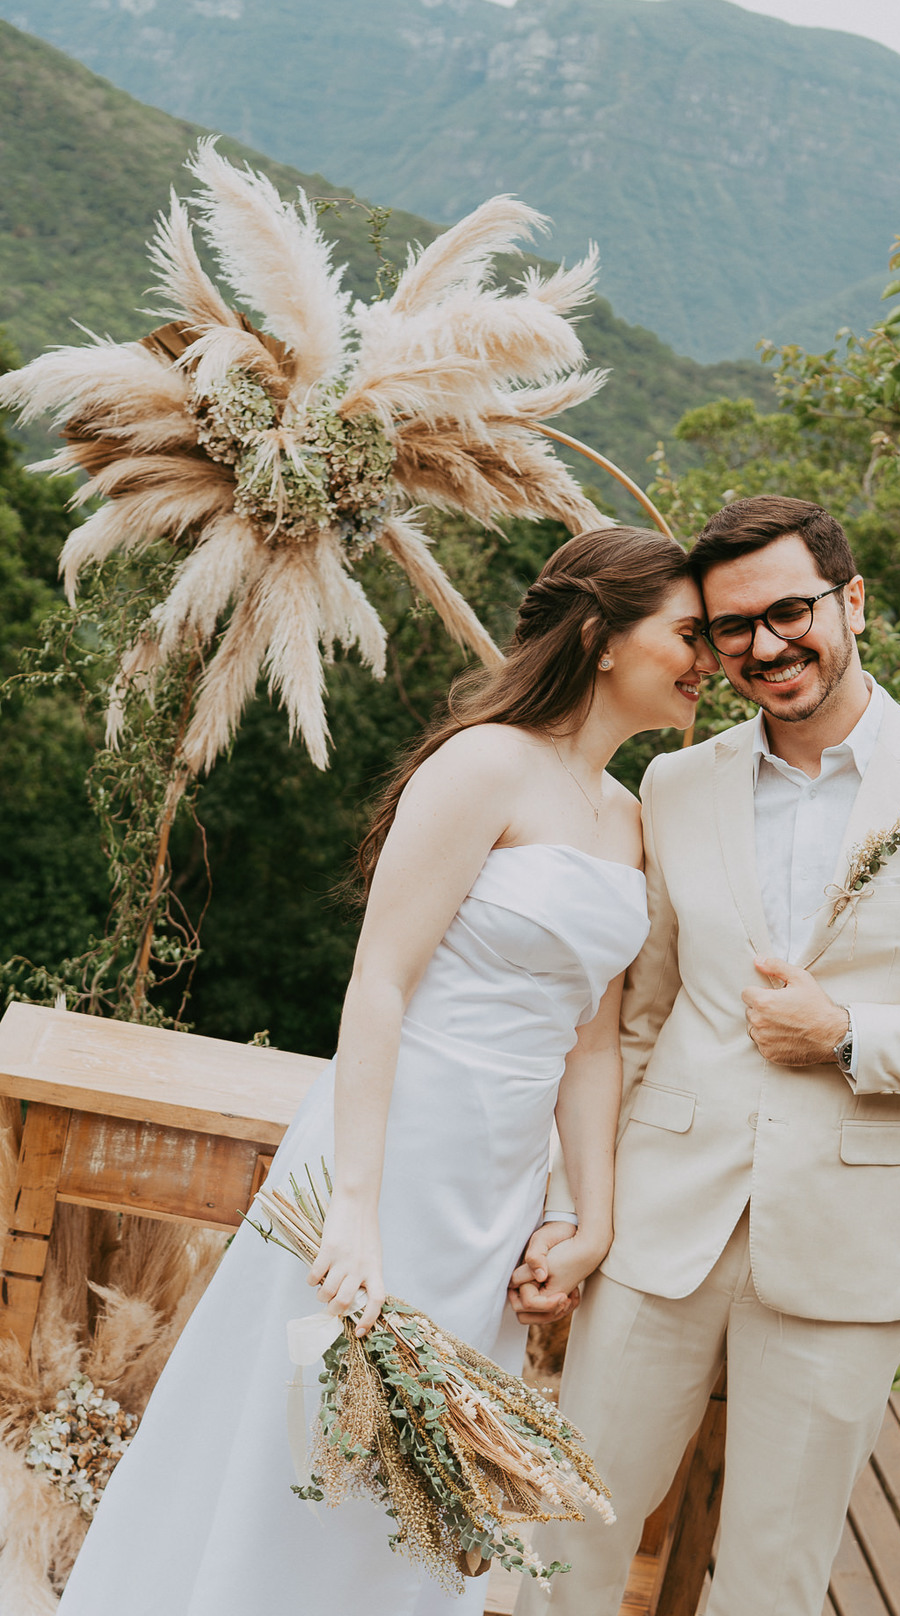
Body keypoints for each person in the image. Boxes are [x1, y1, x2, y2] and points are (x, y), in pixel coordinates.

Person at [58, 526, 717, 1616]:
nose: (709, 662)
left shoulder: (626, 817)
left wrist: (588, 1218)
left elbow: (590, 1043)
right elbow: (379, 985)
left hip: (497, 1189)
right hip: (391, 1152)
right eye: (688, 634)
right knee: (302, 1441)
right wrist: (354, 1209)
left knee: (413, 1475)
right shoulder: (485, 764)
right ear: (602, 636)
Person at [510, 495, 900, 1616]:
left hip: (852, 1246)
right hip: (658, 1226)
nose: (768, 646)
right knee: (562, 1536)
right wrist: (580, 1211)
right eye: (734, 628)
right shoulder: (674, 785)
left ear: (852, 601)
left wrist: (854, 1036)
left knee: (773, 1574)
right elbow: (633, 1022)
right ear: (712, 644)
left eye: (791, 612)